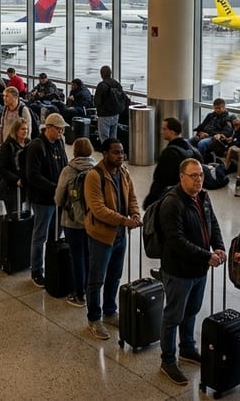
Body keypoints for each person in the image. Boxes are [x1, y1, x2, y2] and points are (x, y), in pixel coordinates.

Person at [156, 158, 226, 386]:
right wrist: (207, 256)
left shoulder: (203, 197)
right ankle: (167, 360)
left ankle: (187, 347)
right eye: (193, 176)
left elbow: (212, 224)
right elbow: (176, 241)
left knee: (192, 310)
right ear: (181, 177)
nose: (198, 180)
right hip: (178, 270)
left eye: (201, 175)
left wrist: (219, 246)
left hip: (199, 268)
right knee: (173, 315)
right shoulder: (171, 203)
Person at [83, 138, 142, 341]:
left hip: (119, 236)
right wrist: (124, 220)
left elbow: (132, 197)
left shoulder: (124, 172)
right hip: (101, 236)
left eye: (122, 152)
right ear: (105, 153)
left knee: (115, 276)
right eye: (116, 152)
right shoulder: (94, 175)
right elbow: (98, 209)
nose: (120, 156)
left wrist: (135, 214)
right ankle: (94, 318)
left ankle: (109, 310)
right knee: (96, 279)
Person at [25, 113, 70, 288]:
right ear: (48, 128)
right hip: (42, 200)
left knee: (55, 235)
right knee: (40, 235)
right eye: (58, 129)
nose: (61, 132)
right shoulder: (36, 146)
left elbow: (65, 165)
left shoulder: (59, 143)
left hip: (57, 199)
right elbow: (33, 175)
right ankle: (36, 270)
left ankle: (51, 265)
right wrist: (55, 187)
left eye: (62, 130)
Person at [54, 137, 96, 308]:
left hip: (71, 220)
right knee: (88, 255)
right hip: (92, 220)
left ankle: (79, 293)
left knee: (76, 256)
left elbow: (58, 198)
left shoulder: (69, 170)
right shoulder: (97, 168)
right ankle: (89, 289)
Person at [143, 117, 202, 209]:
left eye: (164, 129)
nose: (161, 132)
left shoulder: (169, 154)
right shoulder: (192, 149)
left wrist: (150, 201)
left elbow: (160, 180)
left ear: (172, 132)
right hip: (190, 197)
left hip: (171, 199)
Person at [0, 117, 30, 216]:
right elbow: (2, 168)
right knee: (13, 215)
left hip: (25, 186)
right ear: (15, 130)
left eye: (26, 129)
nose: (25, 131)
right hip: (10, 187)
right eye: (22, 129)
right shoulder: (7, 146)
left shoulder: (29, 144)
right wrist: (16, 179)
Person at [92, 65, 127, 141]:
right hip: (115, 114)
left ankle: (106, 152)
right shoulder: (116, 83)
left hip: (104, 115)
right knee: (113, 137)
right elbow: (123, 97)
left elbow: (97, 101)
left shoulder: (101, 85)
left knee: (104, 138)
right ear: (110, 73)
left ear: (101, 74)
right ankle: (112, 152)